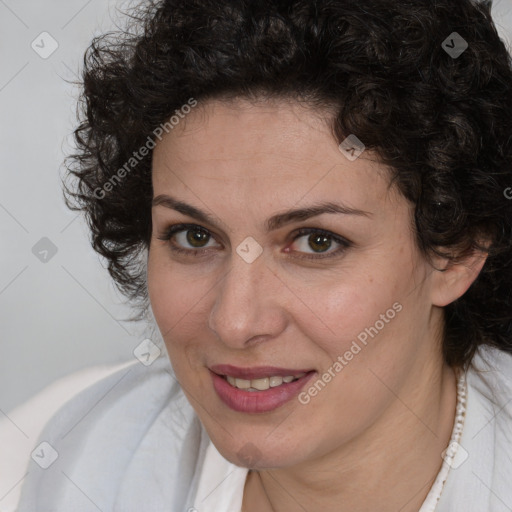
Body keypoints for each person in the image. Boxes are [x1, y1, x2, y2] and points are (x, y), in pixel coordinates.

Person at [13, 0, 512, 510]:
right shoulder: (83, 458)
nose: (234, 322)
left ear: (456, 251)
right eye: (194, 236)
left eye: (317, 242)